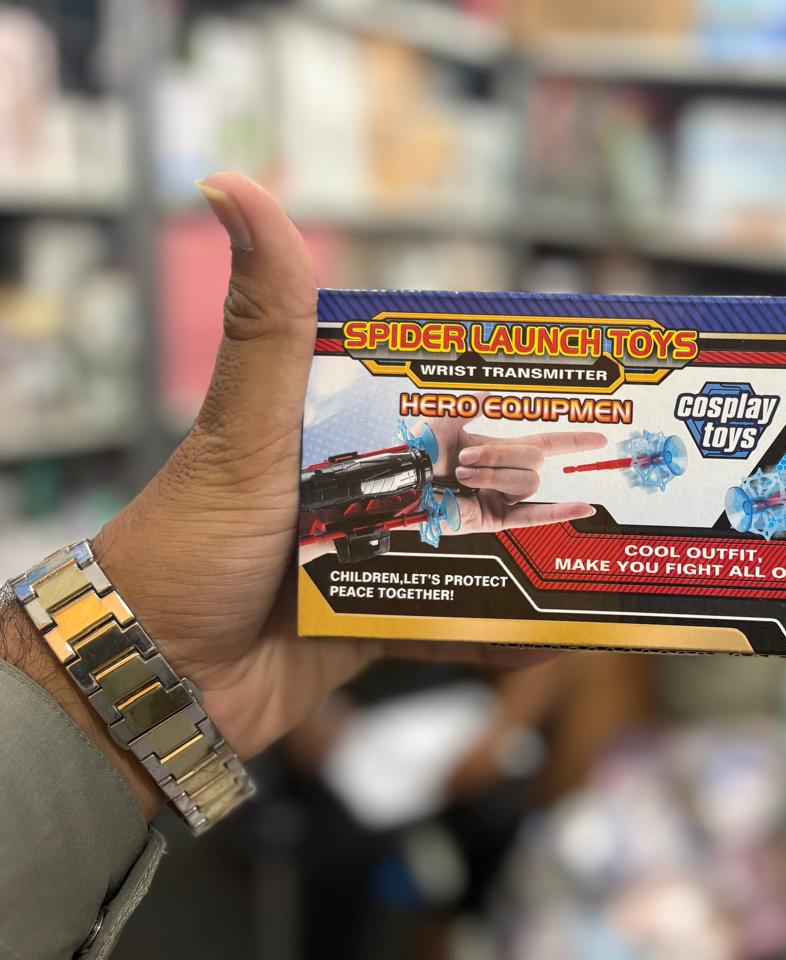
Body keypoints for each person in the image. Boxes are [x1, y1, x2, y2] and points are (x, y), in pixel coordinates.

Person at [0, 173, 567, 960]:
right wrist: (313, 729)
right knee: (337, 864)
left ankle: (438, 925)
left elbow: (546, 648)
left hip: (436, 711)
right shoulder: (333, 449)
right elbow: (280, 624)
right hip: (330, 712)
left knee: (488, 826)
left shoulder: (493, 491)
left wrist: (500, 731)